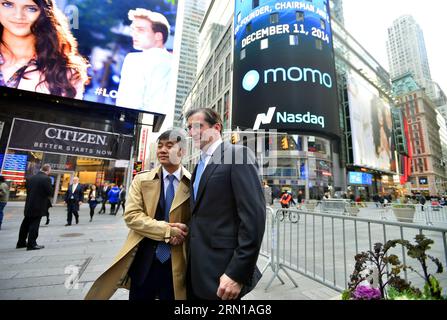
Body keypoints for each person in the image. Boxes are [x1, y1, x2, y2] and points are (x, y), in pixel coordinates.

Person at [85, 129, 191, 300]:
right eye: (160, 146)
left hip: (178, 263)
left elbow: (198, 220)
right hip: (144, 260)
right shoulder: (141, 180)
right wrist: (167, 231)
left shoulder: (193, 183)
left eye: (169, 146)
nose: (162, 150)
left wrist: (186, 229)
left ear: (182, 151)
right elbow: (132, 216)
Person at [186, 108, 266, 300]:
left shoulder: (238, 154)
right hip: (196, 269)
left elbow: (253, 218)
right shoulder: (199, 166)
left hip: (224, 273)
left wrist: (237, 273)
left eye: (198, 126)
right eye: (189, 127)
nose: (192, 132)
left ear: (217, 127)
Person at [0, 0, 88, 98]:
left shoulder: (63, 72)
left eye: (31, 8)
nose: (18, 15)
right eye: (7, 4)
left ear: (45, 12)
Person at [116, 8, 173, 112]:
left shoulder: (134, 60)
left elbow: (127, 104)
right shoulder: (174, 62)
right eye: (133, 30)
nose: (134, 34)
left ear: (158, 36)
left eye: (140, 30)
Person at [16, 164, 52, 250]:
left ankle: (21, 242)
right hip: (38, 205)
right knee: (34, 225)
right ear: (48, 170)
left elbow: (28, 190)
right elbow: (50, 192)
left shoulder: (31, 178)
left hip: (29, 204)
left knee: (25, 224)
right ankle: (32, 244)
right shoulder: (46, 178)